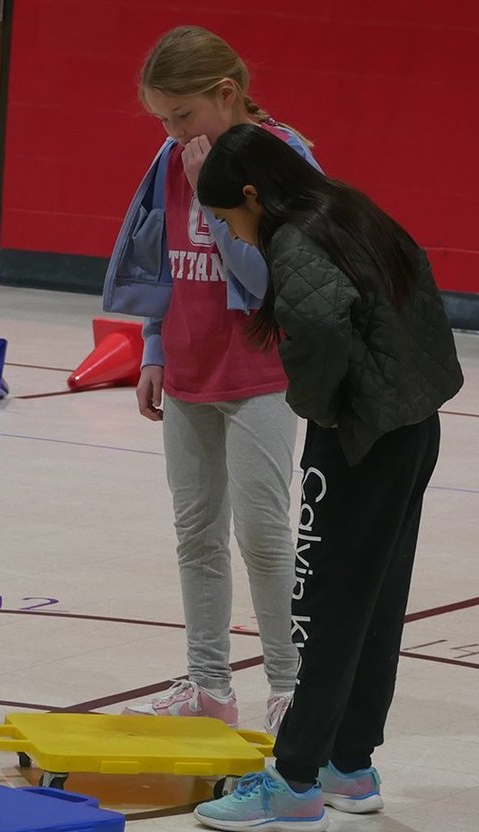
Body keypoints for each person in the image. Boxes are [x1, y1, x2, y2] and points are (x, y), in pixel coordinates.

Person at [190, 123, 463, 832]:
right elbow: (419, 279)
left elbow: (317, 321)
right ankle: (350, 764)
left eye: (228, 219)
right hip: (412, 426)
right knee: (376, 601)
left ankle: (295, 781)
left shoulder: (295, 238)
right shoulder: (347, 208)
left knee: (328, 605)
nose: (235, 236)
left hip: (360, 438)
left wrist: (316, 409)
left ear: (253, 194)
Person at [103, 26, 316, 733]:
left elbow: (269, 282)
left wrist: (211, 196)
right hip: (190, 369)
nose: (170, 132)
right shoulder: (172, 157)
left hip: (260, 375)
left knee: (262, 533)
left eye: (182, 115)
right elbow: (162, 258)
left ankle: (288, 688)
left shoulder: (282, 157)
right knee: (195, 534)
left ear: (227, 95)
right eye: (162, 119)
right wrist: (155, 346)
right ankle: (208, 685)